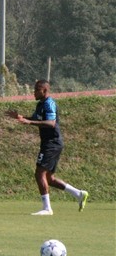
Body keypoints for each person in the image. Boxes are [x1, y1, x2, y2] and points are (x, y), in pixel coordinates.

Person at [7, 80, 88, 216]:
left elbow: (51, 123)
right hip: (49, 143)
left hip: (52, 143)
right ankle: (78, 194)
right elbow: (36, 119)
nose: (34, 92)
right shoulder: (40, 104)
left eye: (36, 90)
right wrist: (21, 117)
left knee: (39, 173)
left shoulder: (49, 103)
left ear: (44, 91)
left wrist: (30, 122)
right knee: (49, 178)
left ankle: (47, 208)